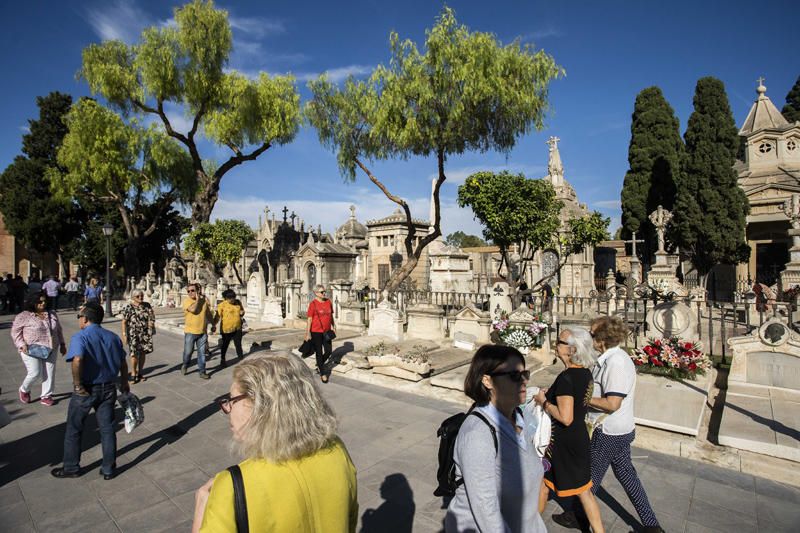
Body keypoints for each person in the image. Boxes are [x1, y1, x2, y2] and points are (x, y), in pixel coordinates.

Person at [192, 354, 358, 532]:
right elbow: (350, 521)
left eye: (231, 401)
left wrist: (201, 510)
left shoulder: (232, 487)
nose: (227, 409)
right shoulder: (337, 450)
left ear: (261, 406)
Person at [553, 316, 663, 533]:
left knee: (588, 479)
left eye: (593, 334)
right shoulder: (605, 359)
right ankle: (652, 526)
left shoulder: (617, 362)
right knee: (626, 475)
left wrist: (580, 399)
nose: (590, 338)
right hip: (615, 430)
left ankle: (578, 515)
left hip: (609, 431)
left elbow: (612, 403)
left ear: (602, 338)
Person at [445, 345, 547, 533]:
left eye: (525, 373)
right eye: (514, 376)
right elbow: (486, 510)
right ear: (487, 381)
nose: (524, 381)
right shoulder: (478, 434)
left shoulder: (517, 415)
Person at [534, 328, 604, 533]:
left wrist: (544, 401)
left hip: (562, 443)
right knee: (584, 491)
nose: (556, 344)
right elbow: (575, 401)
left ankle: (530, 526)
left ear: (572, 349)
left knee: (544, 485)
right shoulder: (585, 373)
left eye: (560, 341)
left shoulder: (566, 378)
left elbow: (566, 417)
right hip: (579, 439)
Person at [50, 302, 128, 480]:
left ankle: (71, 467)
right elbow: (123, 363)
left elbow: (77, 359)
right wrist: (124, 383)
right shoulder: (112, 337)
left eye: (79, 316)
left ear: (85, 319)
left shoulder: (81, 337)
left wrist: (77, 385)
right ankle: (108, 468)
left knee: (74, 428)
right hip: (108, 387)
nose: (79, 319)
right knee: (107, 429)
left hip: (87, 388)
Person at [11, 291, 67, 406]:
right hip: (31, 349)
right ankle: (24, 389)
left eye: (44, 301)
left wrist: (62, 344)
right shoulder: (24, 316)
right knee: (35, 373)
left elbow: (58, 329)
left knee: (50, 372)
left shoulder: (51, 314)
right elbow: (15, 332)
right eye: (40, 301)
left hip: (51, 346)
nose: (43, 303)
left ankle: (46, 395)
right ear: (33, 302)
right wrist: (21, 344)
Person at [121, 289, 156, 383]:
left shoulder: (147, 305)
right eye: (138, 296)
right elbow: (124, 322)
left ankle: (140, 373)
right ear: (133, 297)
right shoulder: (128, 307)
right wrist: (124, 334)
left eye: (141, 296)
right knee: (134, 354)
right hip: (133, 334)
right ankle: (133, 373)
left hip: (145, 333)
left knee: (143, 353)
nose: (140, 297)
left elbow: (152, 317)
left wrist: (151, 322)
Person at [304, 284, 335, 383]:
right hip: (316, 332)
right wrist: (307, 333)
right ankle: (323, 373)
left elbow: (331, 316)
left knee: (328, 351)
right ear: (316, 293)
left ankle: (319, 364)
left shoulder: (328, 302)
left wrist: (333, 326)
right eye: (322, 292)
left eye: (324, 291)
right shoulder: (313, 304)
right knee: (319, 352)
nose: (324, 293)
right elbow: (309, 319)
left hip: (326, 331)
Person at [182, 283, 213, 379]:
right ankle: (185, 364)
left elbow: (208, 314)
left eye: (193, 290)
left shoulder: (204, 302)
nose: (190, 293)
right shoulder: (186, 301)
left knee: (202, 354)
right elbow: (194, 310)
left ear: (197, 291)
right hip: (190, 332)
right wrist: (198, 300)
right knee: (188, 352)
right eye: (188, 291)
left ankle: (202, 371)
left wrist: (213, 324)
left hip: (202, 332)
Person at [212, 289, 245, 368]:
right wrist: (214, 325)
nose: (232, 299)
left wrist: (242, 313)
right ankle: (223, 359)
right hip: (226, 329)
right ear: (225, 298)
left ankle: (241, 360)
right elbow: (217, 316)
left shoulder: (238, 302)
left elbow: (242, 311)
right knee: (225, 345)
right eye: (229, 298)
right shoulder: (222, 305)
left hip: (237, 328)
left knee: (238, 345)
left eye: (233, 297)